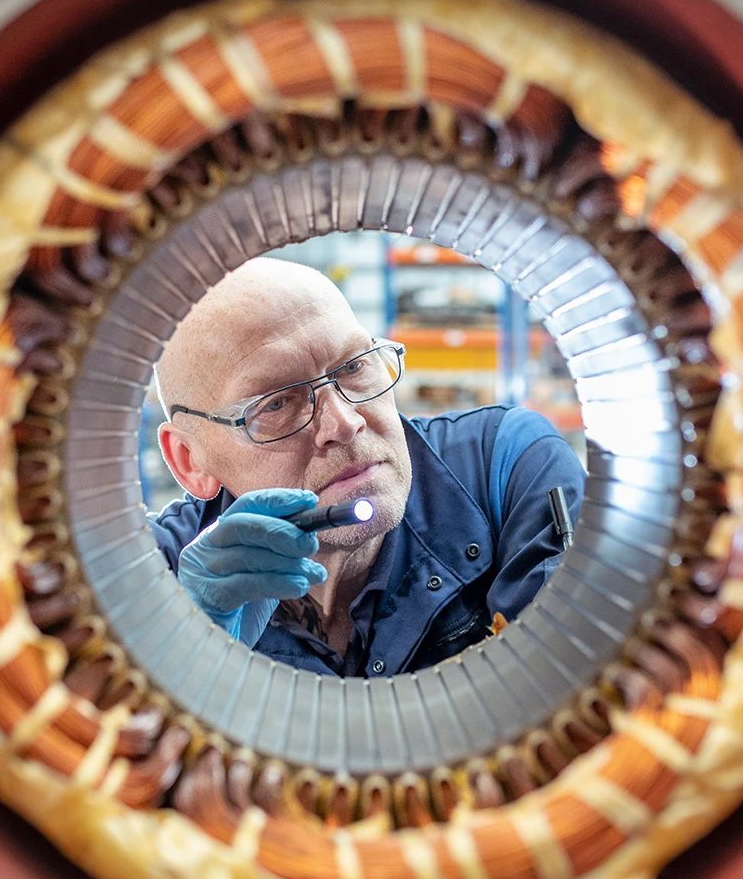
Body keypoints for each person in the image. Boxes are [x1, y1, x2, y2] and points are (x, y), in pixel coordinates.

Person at [148, 257, 584, 678]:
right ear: (191, 462)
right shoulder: (155, 575)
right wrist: (181, 661)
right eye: (276, 403)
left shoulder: (506, 470)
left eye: (354, 366)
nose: (345, 423)